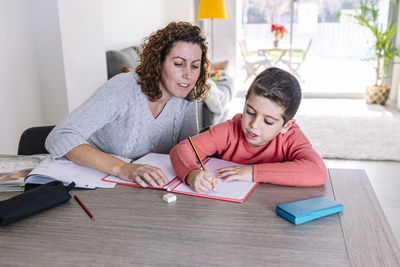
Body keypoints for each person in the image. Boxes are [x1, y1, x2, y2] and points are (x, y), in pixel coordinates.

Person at [45, 21, 210, 187]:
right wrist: (123, 168)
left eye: (195, 66)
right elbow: (59, 137)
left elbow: (187, 150)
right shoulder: (123, 89)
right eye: (179, 64)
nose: (188, 75)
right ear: (158, 63)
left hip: (141, 189)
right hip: (92, 184)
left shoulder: (187, 97)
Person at [170, 67, 327, 193]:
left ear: (286, 125)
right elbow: (181, 150)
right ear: (245, 101)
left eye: (268, 121)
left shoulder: (291, 137)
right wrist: (191, 174)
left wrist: (252, 172)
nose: (254, 125)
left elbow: (318, 171)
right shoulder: (230, 130)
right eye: (250, 112)